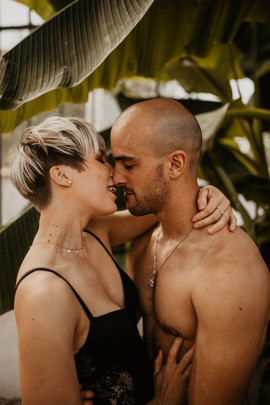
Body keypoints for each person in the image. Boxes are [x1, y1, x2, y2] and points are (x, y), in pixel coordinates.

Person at [11, 115, 234, 405]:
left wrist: (209, 195)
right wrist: (164, 401)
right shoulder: (43, 291)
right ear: (62, 175)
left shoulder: (95, 232)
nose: (114, 174)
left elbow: (167, 204)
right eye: (101, 159)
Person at [104, 98, 270, 405]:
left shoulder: (228, 272)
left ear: (176, 164)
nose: (115, 177)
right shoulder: (144, 241)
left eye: (129, 164)